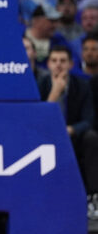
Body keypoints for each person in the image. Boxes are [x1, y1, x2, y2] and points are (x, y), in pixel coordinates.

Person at [38, 45, 98, 218]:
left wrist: (71, 129)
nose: (58, 65)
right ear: (48, 64)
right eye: (54, 61)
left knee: (92, 138)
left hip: (73, 137)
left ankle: (92, 197)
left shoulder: (82, 86)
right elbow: (39, 119)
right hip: (46, 136)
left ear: (71, 64)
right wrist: (55, 92)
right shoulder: (40, 84)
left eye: (63, 61)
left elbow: (89, 120)